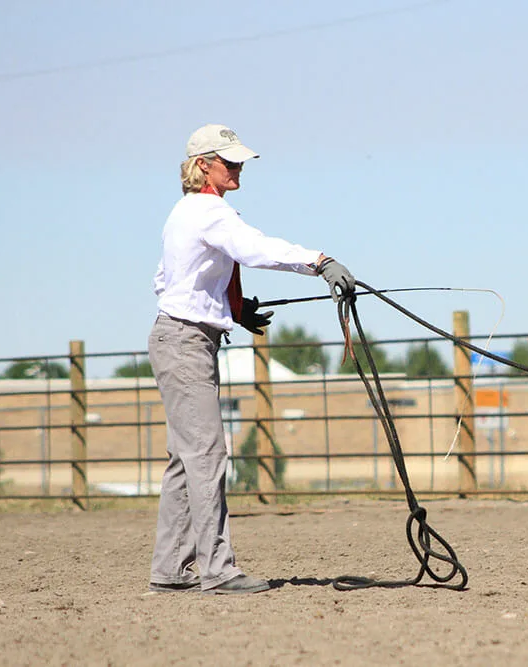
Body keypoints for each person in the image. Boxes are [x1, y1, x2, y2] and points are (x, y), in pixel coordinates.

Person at [147, 124, 355, 595]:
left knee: (186, 457)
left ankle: (170, 568)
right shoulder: (209, 211)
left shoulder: (184, 213)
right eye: (228, 160)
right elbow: (254, 248)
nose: (238, 167)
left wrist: (232, 309)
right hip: (185, 342)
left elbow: (168, 279)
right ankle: (218, 569)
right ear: (203, 165)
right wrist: (319, 261)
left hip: (181, 338)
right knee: (206, 454)